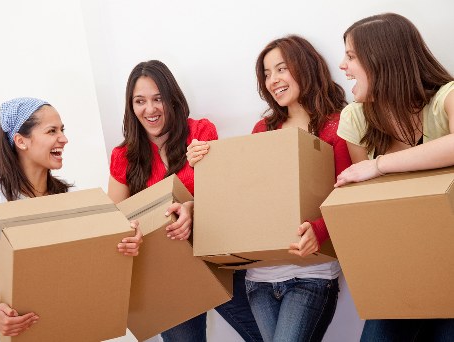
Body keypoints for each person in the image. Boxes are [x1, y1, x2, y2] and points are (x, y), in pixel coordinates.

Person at [188, 35, 351, 341]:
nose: (273, 80)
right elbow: (244, 196)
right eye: (266, 73)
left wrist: (319, 229)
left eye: (281, 69)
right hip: (259, 279)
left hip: (311, 276)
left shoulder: (336, 126)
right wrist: (204, 162)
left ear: (304, 67)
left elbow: (348, 196)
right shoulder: (262, 130)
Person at [108, 60, 263, 341]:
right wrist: (131, 233)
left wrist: (193, 208)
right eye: (140, 101)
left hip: (216, 254)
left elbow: (225, 194)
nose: (150, 109)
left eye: (158, 99)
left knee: (263, 335)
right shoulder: (124, 156)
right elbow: (116, 221)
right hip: (168, 273)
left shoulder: (200, 133)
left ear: (172, 98)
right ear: (131, 107)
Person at [0, 98, 142, 338]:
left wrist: (128, 241)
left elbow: (95, 256)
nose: (64, 138)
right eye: (52, 131)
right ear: (21, 141)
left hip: (77, 326)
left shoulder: (70, 197)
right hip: (28, 330)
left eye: (62, 130)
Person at [335, 12, 454, 341]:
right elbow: (366, 204)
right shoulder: (356, 118)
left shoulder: (445, 99)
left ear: (381, 58)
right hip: (402, 269)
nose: (342, 66)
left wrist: (379, 165)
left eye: (350, 56)